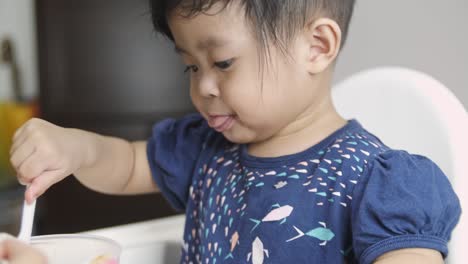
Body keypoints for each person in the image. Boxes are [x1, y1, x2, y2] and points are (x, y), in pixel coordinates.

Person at [9, 0, 461, 263]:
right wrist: (76, 149)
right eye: (190, 65)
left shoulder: (381, 183)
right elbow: (128, 164)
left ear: (316, 46)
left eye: (222, 62)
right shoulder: (204, 149)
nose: (202, 86)